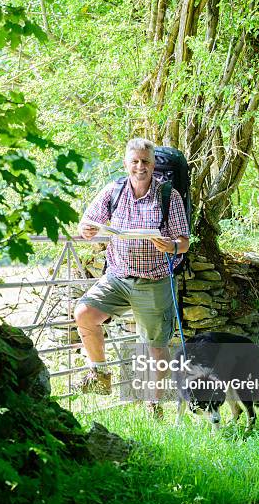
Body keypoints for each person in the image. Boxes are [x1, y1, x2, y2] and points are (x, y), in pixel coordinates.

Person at [73, 138, 190, 416]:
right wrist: (87, 230)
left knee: (154, 348)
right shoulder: (113, 191)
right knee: (84, 313)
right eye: (135, 161)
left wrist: (171, 246)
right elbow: (86, 223)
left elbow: (184, 242)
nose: (140, 167)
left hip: (154, 280)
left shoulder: (168, 196)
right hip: (117, 276)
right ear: (126, 163)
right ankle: (100, 375)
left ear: (153, 165)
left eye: (146, 162)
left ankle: (153, 405)